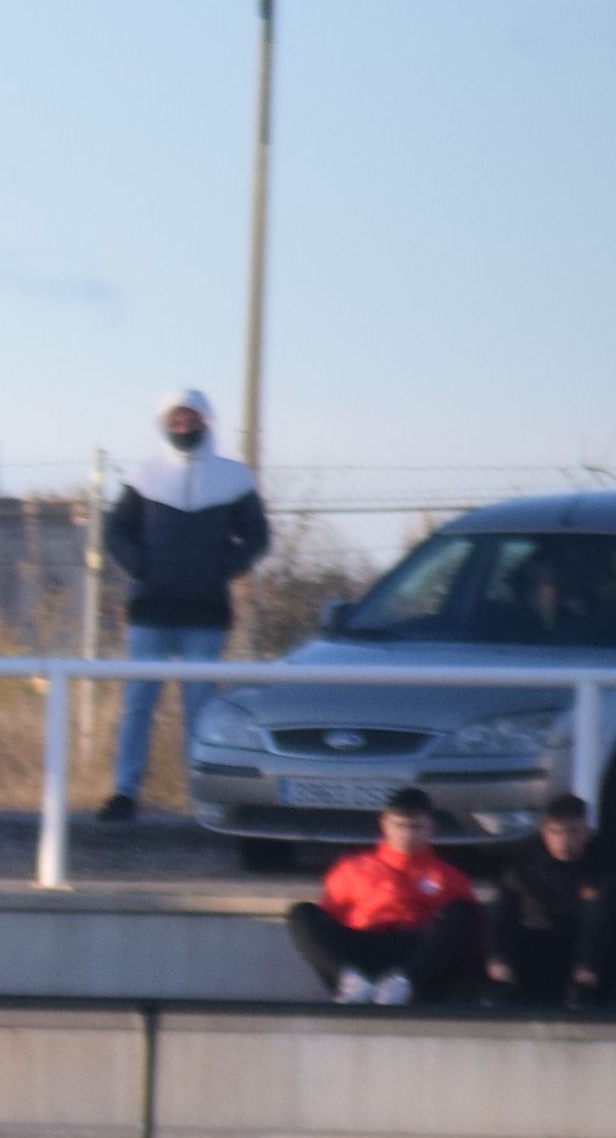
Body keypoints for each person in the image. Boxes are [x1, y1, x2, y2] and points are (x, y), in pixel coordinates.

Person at [97, 389, 269, 823]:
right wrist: (142, 568)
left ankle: (204, 798)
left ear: (205, 422)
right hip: (150, 610)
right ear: (164, 423)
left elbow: (257, 536)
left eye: (190, 418)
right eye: (175, 419)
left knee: (201, 707)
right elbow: (116, 531)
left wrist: (218, 570)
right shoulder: (144, 475)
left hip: (205, 613)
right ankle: (125, 792)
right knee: (138, 703)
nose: (182, 425)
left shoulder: (234, 477)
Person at [287, 791, 483, 1006]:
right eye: (399, 826)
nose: (407, 835)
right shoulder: (352, 869)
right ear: (385, 825)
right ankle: (351, 983)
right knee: (302, 914)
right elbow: (327, 927)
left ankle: (403, 985)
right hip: (362, 948)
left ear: (431, 827)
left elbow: (463, 938)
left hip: (414, 955)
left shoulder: (448, 877)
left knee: (463, 911)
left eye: (416, 827)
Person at [483, 793, 606, 1011]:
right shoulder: (525, 864)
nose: (564, 841)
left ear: (587, 832)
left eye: (573, 831)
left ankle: (584, 988)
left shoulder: (605, 863)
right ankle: (500, 982)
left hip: (591, 956)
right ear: (544, 832)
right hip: (541, 950)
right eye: (556, 832)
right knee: (501, 904)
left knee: (598, 904)